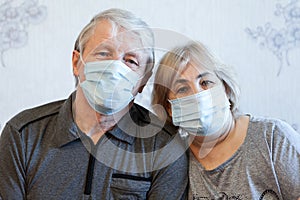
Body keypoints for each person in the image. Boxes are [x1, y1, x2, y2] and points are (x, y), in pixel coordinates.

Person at [0, 8, 188, 199]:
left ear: (144, 81)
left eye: (131, 61)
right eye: (104, 53)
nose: (115, 68)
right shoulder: (23, 135)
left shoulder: (165, 147)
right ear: (76, 63)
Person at [152, 41, 300, 199]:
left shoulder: (272, 137)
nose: (197, 95)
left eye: (205, 82)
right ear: (169, 108)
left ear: (226, 88)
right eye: (182, 89)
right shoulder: (174, 159)